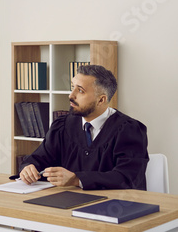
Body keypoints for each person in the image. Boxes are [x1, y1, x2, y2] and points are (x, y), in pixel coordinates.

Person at [19, 64, 149, 190]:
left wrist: (77, 179)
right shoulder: (62, 126)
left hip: (115, 206)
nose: (71, 96)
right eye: (72, 87)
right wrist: (28, 168)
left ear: (101, 100)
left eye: (80, 90)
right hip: (67, 203)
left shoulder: (129, 130)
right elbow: (39, 158)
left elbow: (127, 177)